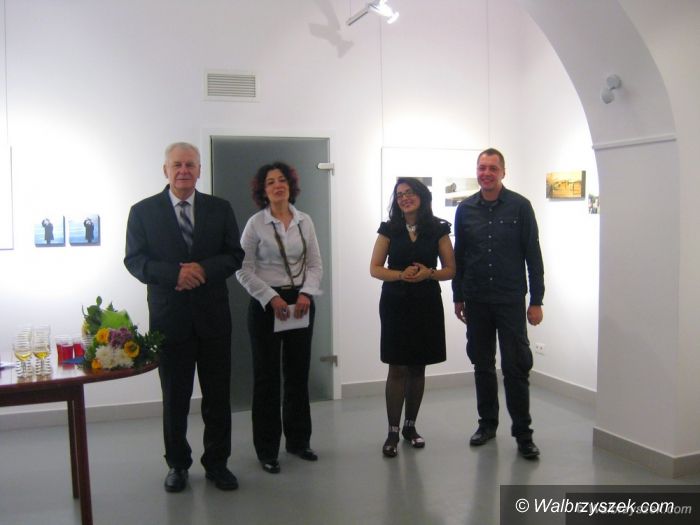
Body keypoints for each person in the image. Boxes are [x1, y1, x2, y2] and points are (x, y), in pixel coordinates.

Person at [124, 142, 244, 492]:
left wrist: (202, 270)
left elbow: (234, 255)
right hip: (170, 320)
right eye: (177, 165)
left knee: (218, 398)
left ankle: (217, 464)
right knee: (175, 399)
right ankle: (177, 464)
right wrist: (174, 274)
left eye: (190, 164)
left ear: (199, 170)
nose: (183, 170)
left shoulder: (220, 208)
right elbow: (135, 260)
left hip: (213, 320)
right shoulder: (143, 212)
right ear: (166, 170)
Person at [452, 148, 544, 460]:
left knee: (515, 367)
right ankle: (487, 424)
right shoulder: (465, 209)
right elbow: (460, 256)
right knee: (482, 364)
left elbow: (533, 256)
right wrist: (458, 295)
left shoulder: (520, 206)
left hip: (509, 299)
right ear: (477, 172)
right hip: (476, 299)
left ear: (503, 172)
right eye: (482, 168)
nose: (486, 173)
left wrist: (537, 300)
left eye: (493, 168)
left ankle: (523, 434)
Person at [236, 161, 323, 474]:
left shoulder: (304, 221)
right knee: (267, 379)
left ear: (291, 185)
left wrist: (306, 294)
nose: (277, 185)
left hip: (300, 303)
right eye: (271, 182)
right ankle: (267, 450)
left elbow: (315, 264)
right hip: (267, 305)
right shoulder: (255, 224)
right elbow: (242, 269)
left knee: (298, 374)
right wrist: (270, 297)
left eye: (282, 180)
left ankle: (299, 442)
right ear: (263, 190)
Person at [370, 178, 456, 457]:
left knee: (418, 367)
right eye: (399, 195)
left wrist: (429, 273)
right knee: (397, 367)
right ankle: (392, 432)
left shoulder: (438, 229)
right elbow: (375, 268)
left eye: (409, 193)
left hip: (426, 302)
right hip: (395, 302)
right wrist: (401, 275)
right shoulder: (389, 229)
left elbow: (451, 269)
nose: (404, 198)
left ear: (421, 196)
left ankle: (410, 427)